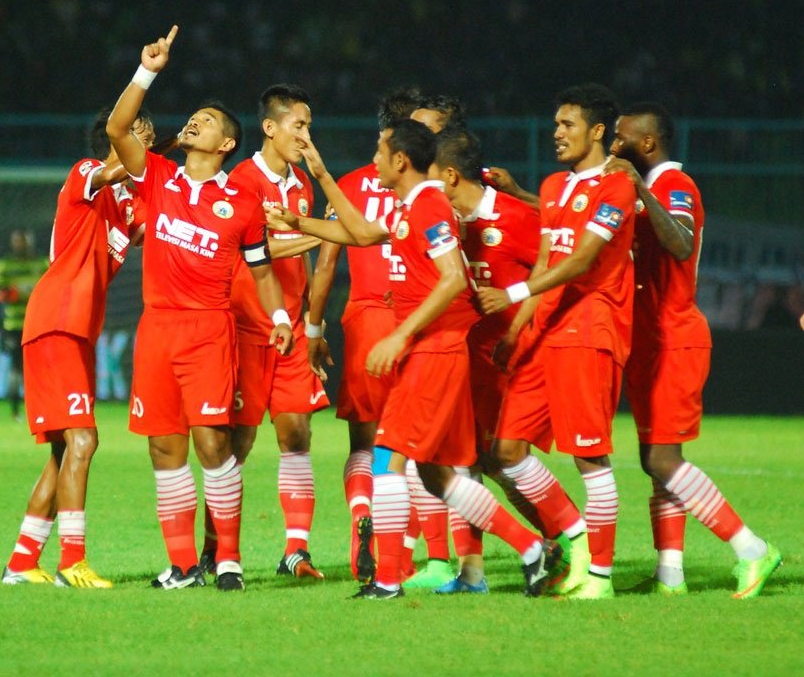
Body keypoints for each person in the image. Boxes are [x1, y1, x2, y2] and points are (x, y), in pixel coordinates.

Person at [272, 121, 553, 600]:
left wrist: (400, 335)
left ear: (400, 159)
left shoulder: (428, 206)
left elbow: (451, 280)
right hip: (430, 350)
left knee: (387, 457)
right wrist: (304, 211)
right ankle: (531, 550)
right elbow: (360, 234)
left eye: (381, 152)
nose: (375, 161)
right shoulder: (413, 205)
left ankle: (386, 579)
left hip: (433, 351)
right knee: (436, 473)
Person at [106, 26, 293, 593]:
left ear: (227, 143)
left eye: (207, 121)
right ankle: (183, 564)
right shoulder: (156, 176)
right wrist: (147, 73)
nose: (193, 122)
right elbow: (117, 128)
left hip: (209, 329)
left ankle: (229, 561)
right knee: (164, 445)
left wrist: (281, 319)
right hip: (156, 328)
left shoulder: (243, 202)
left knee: (213, 444)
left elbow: (261, 270)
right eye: (193, 117)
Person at [606, 102, 781, 598]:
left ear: (647, 144)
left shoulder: (675, 187)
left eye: (621, 138)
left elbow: (681, 244)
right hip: (648, 339)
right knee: (654, 459)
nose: (614, 146)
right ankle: (670, 574)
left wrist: (639, 190)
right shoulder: (648, 191)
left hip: (674, 336)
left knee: (664, 461)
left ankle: (751, 548)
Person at [477, 84, 634, 600]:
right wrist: (519, 326)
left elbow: (582, 261)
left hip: (590, 328)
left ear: (596, 131)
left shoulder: (615, 188)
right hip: (545, 332)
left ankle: (602, 578)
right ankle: (578, 540)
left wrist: (511, 293)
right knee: (507, 449)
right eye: (555, 124)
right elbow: (547, 260)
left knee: (589, 457)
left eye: (567, 124)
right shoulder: (551, 187)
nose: (556, 133)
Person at [1, 109, 154, 588]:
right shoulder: (85, 174)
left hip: (79, 329)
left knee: (61, 451)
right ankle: (73, 560)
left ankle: (22, 562)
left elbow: (160, 222)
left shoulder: (129, 205)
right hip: (56, 319)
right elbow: (119, 168)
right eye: (139, 136)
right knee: (84, 441)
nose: (145, 144)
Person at [304, 87, 424, 584]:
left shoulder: (352, 184)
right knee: (414, 441)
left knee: (364, 438)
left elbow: (327, 263)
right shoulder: (429, 187)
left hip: (365, 317)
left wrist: (315, 326)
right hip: (417, 317)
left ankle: (362, 518)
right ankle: (410, 550)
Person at [214, 83, 328, 580]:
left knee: (297, 433)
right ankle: (216, 553)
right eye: (298, 126)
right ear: (270, 128)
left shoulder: (302, 184)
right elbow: (249, 250)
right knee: (235, 445)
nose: (305, 136)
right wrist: (322, 232)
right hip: (246, 324)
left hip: (291, 329)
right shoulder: (240, 180)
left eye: (308, 127)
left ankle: (295, 551)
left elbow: (298, 252)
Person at [428, 125, 548, 594]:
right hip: (463, 358)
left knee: (504, 461)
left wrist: (517, 328)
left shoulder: (516, 218)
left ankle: (562, 540)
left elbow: (555, 272)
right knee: (464, 463)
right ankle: (472, 572)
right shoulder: (445, 223)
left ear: (452, 175)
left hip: (508, 360)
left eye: (432, 175)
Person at [0, 230, 50, 420]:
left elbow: (51, 289)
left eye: (23, 241)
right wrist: (17, 293)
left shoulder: (42, 264)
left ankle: (41, 410)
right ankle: (15, 411)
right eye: (17, 241)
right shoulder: (4, 266)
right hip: (15, 325)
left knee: (40, 369)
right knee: (17, 368)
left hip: (39, 324)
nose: (20, 245)